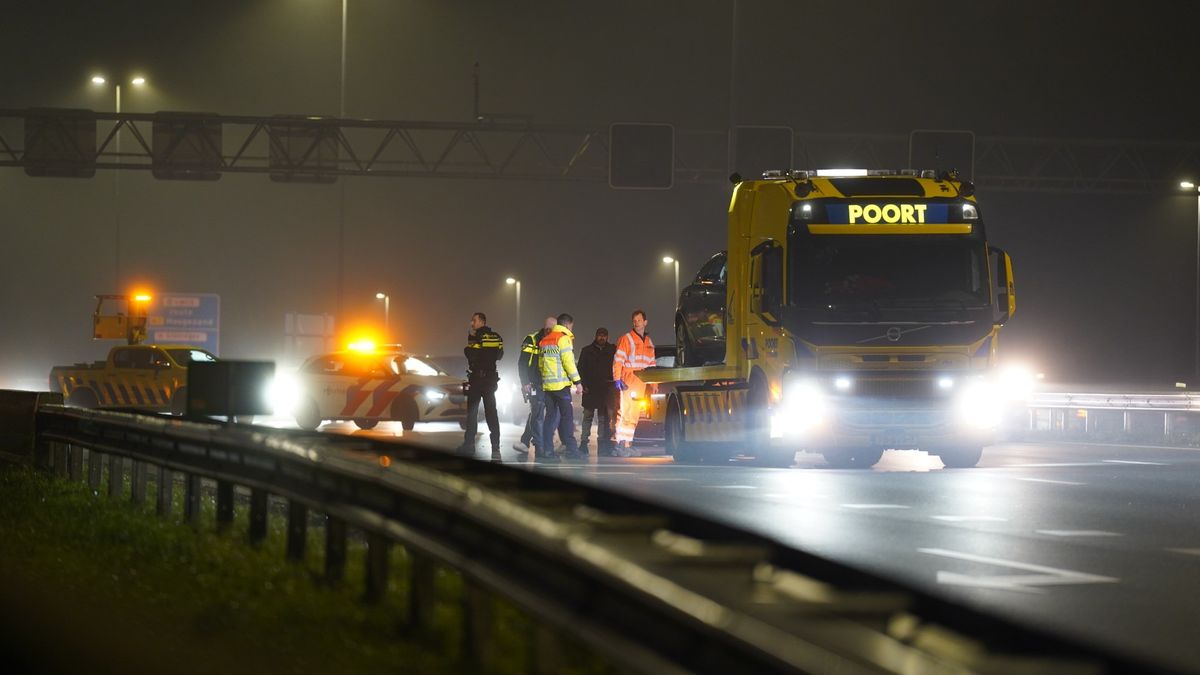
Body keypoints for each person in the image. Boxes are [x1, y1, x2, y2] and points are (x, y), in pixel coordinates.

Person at [457, 312, 504, 460]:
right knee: (491, 412)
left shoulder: (476, 337)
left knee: (472, 412)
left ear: (482, 322)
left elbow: (472, 355)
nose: (472, 323)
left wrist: (468, 346)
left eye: (474, 321)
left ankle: (469, 445)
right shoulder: (497, 337)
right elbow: (500, 355)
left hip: (477, 379)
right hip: (490, 380)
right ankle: (495, 446)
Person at [538, 313, 582, 463]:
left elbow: (540, 364)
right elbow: (569, 363)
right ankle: (572, 450)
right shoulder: (563, 339)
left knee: (549, 418)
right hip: (561, 386)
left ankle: (547, 451)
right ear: (567, 325)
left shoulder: (544, 340)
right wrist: (578, 382)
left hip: (548, 386)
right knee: (567, 418)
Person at [612, 309, 656, 457]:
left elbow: (652, 364)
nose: (636, 323)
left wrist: (654, 384)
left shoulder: (648, 342)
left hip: (640, 381)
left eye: (639, 320)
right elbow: (618, 360)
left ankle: (627, 444)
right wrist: (617, 378)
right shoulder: (627, 339)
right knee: (625, 413)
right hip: (628, 379)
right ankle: (619, 444)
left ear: (645, 322)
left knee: (634, 414)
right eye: (634, 320)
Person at [513, 316, 557, 456]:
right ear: (544, 327)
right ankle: (538, 446)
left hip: (550, 384)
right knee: (537, 413)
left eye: (553, 330)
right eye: (548, 329)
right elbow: (522, 363)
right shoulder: (531, 339)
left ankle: (529, 442)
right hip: (534, 383)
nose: (550, 332)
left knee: (545, 414)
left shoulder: (556, 340)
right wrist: (525, 382)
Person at [577, 327, 617, 455]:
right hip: (590, 389)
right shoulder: (586, 351)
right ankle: (583, 444)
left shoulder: (612, 350)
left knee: (602, 419)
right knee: (587, 417)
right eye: (600, 335)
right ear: (595, 336)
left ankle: (602, 444)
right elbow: (580, 369)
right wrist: (583, 384)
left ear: (607, 337)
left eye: (604, 335)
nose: (602, 338)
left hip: (605, 390)